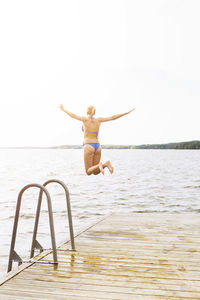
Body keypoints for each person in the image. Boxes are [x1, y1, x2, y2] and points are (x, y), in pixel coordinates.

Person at [59, 104, 134, 175]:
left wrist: (63, 110)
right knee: (95, 172)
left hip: (88, 145)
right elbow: (113, 117)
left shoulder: (85, 119)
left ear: (87, 111)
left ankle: (100, 164)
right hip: (98, 146)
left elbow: (73, 115)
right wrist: (126, 113)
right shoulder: (99, 120)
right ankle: (105, 164)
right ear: (94, 112)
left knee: (88, 172)